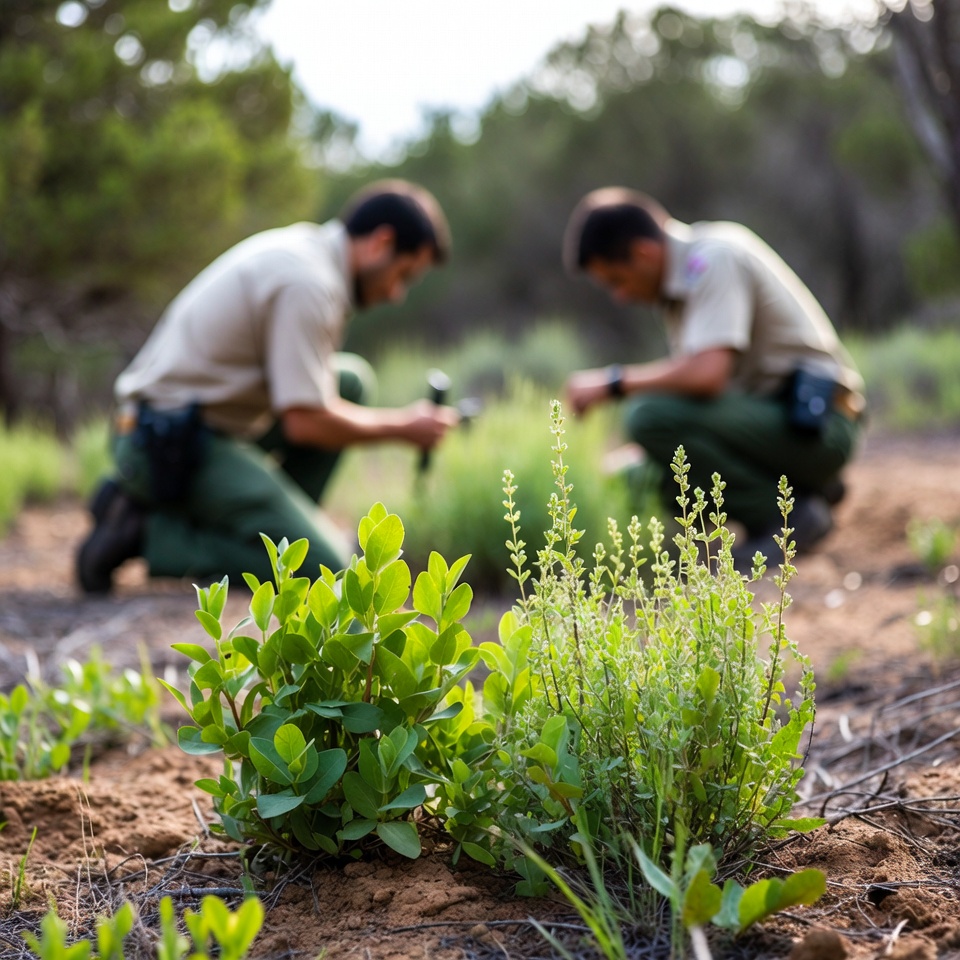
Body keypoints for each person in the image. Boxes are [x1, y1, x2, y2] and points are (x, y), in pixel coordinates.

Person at [77, 180, 459, 593]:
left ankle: (284, 528)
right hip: (164, 442)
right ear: (380, 243)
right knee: (326, 569)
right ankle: (148, 533)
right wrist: (404, 427)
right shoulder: (310, 284)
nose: (397, 294)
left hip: (194, 426)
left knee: (348, 381)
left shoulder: (310, 252)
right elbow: (303, 423)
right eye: (403, 274)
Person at [563, 187, 865, 558]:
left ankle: (788, 518)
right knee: (637, 477)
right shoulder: (679, 285)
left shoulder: (711, 260)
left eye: (616, 280)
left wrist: (613, 383)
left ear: (643, 253)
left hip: (819, 426)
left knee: (647, 415)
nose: (620, 296)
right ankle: (805, 489)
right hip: (774, 422)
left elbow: (707, 377)